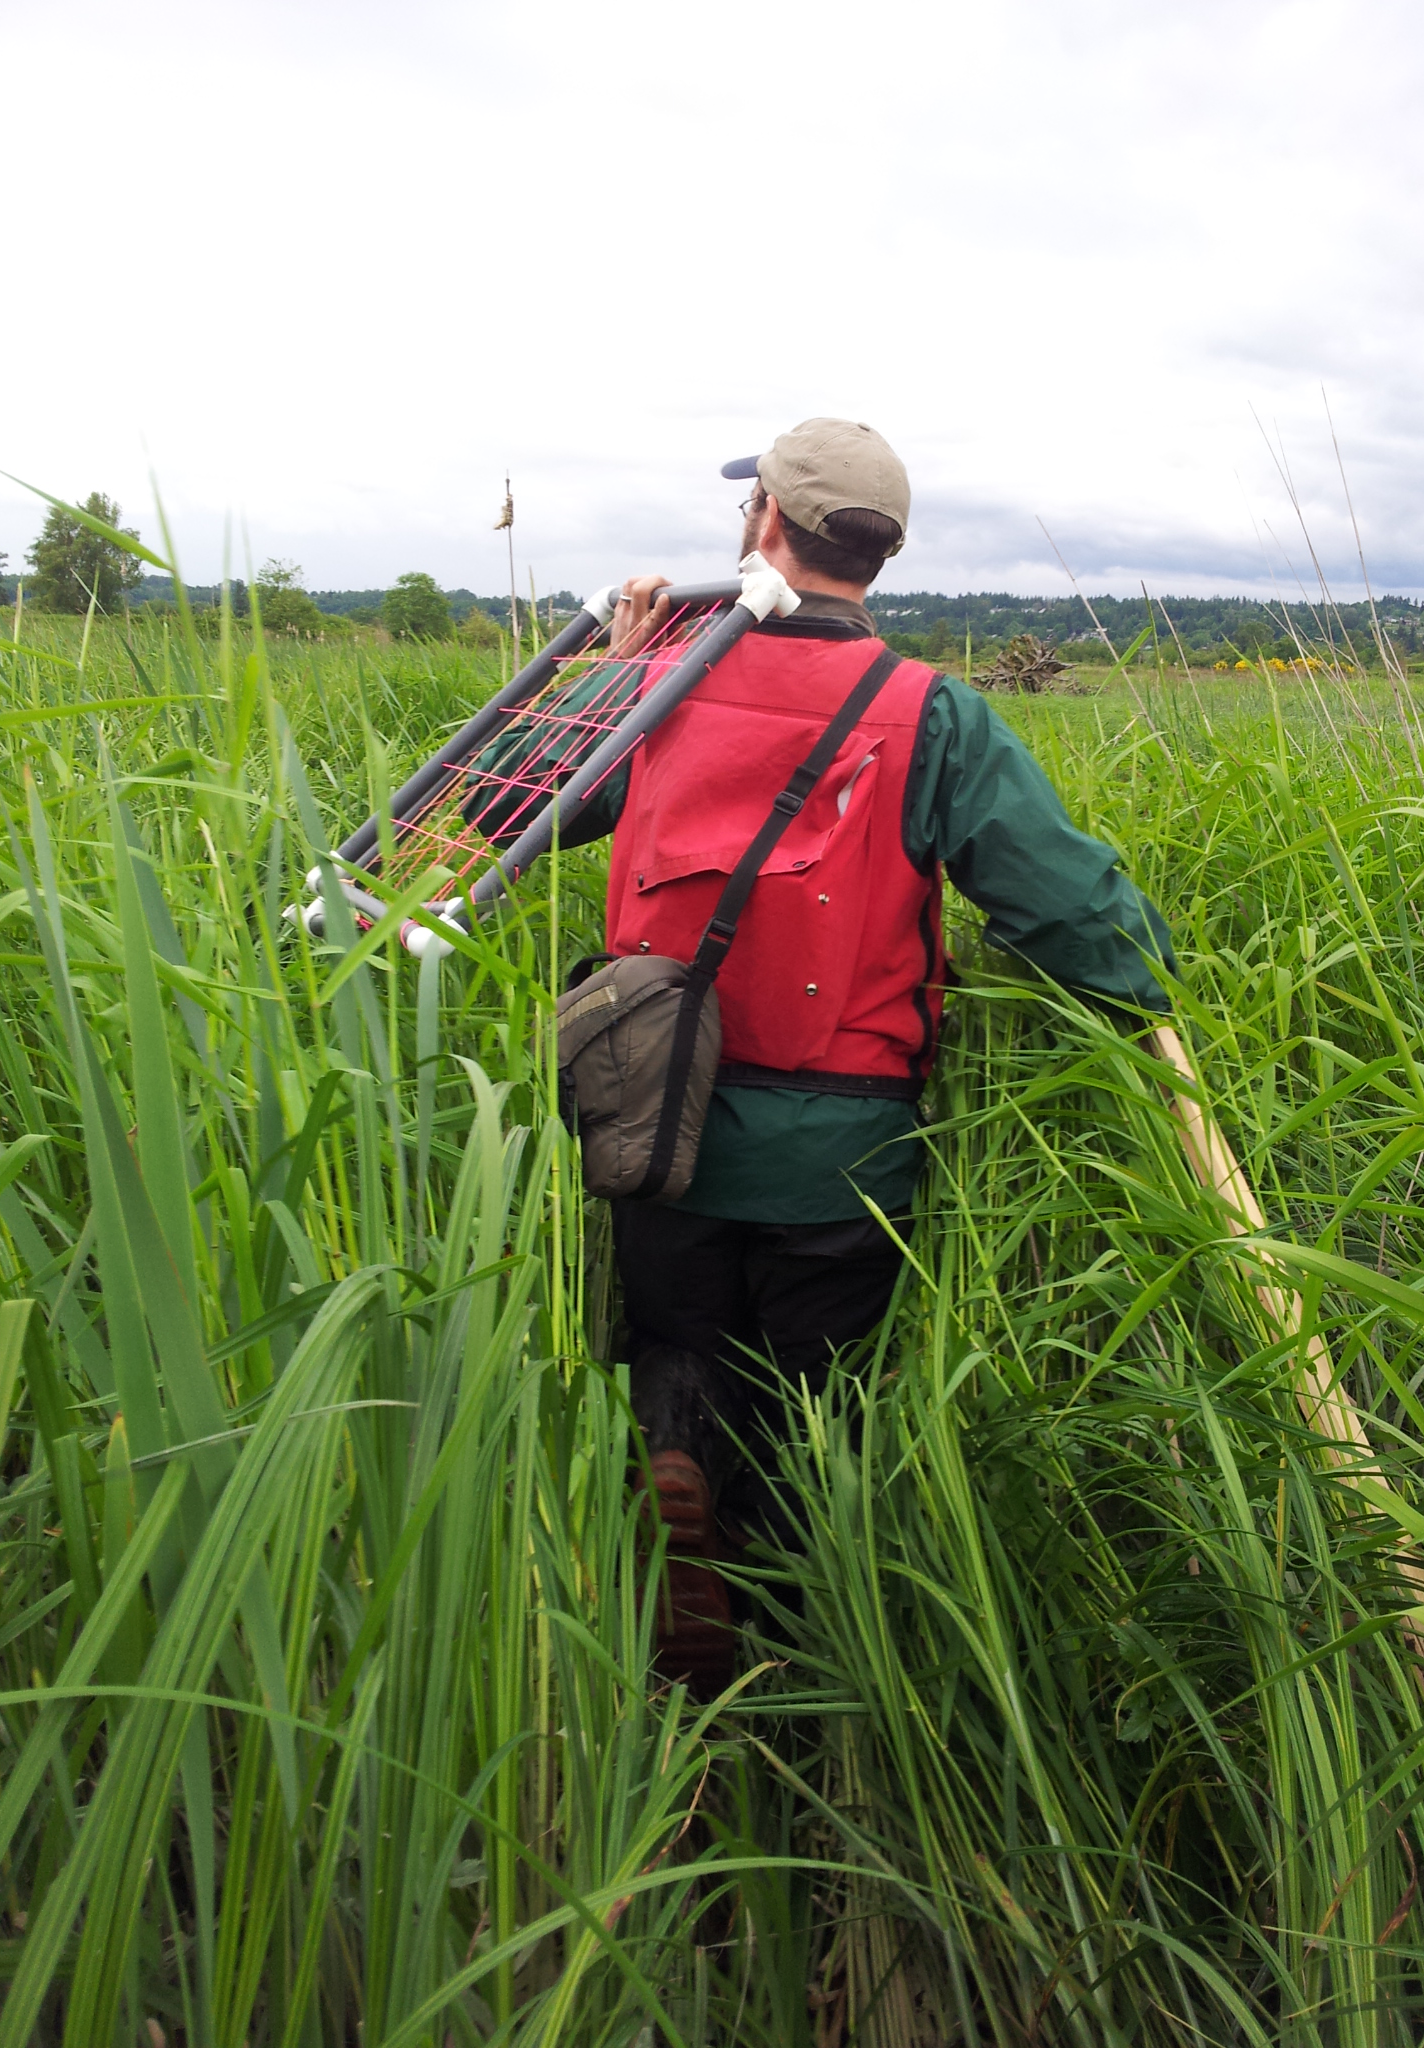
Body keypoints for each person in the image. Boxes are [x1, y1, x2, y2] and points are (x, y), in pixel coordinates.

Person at [489, 419, 1177, 1691]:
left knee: (677, 1342)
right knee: (818, 1405)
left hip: (654, 1121)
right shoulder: (934, 715)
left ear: (764, 526)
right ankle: (800, 1652)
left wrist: (608, 670)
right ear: (880, 553)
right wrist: (1158, 986)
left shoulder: (659, 688)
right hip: (848, 1157)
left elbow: (500, 812)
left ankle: (677, 1521)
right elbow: (1077, 916)